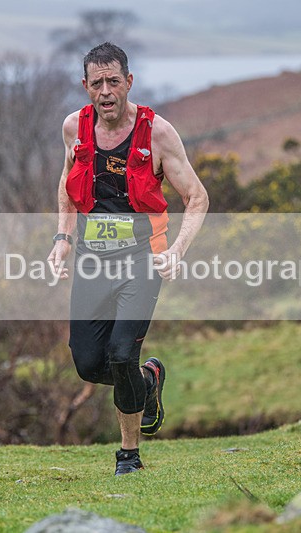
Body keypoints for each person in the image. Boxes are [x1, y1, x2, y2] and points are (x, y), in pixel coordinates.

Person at [48, 42, 208, 476]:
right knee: (88, 363)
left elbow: (196, 197)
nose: (105, 91)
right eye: (96, 83)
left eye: (113, 81)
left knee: (121, 355)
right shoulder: (73, 128)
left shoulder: (156, 133)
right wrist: (63, 237)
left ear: (128, 82)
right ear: (85, 86)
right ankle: (149, 379)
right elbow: (66, 182)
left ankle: (129, 456)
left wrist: (177, 250)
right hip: (92, 262)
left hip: (143, 260)